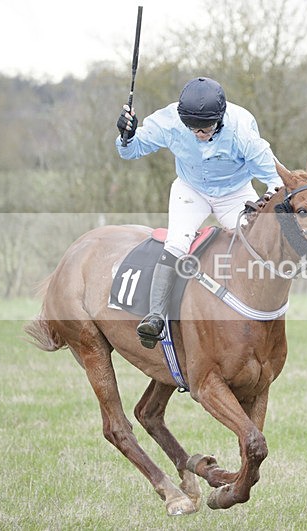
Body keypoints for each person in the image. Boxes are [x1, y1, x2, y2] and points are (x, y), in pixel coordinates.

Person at [116, 76, 283, 347]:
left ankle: (258, 315)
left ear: (220, 119)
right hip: (190, 189)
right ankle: (156, 316)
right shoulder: (169, 121)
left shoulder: (242, 130)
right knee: (177, 243)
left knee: (256, 245)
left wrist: (264, 202)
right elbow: (131, 151)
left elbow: (275, 180)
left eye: (204, 129)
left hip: (235, 192)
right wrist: (127, 135)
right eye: (192, 128)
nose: (198, 135)